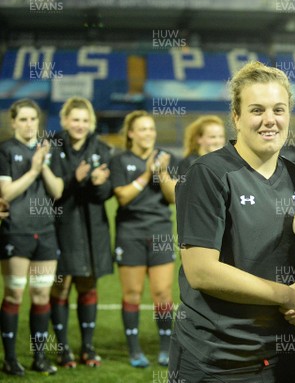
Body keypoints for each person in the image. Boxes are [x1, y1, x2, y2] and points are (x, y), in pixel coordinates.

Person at [170, 61, 295, 383]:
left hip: (282, 355)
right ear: (236, 117)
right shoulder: (208, 174)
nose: (270, 120)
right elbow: (201, 271)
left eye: (279, 110)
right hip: (217, 358)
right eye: (257, 110)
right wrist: (286, 295)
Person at [109, 111, 178, 367]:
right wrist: (147, 174)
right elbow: (123, 197)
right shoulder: (120, 160)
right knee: (132, 293)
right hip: (130, 233)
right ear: (131, 133)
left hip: (160, 231)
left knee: (162, 293)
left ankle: (165, 347)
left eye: (151, 129)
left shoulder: (166, 158)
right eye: (143, 129)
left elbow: (173, 198)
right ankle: (134, 349)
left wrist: (162, 172)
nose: (148, 133)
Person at [0, 99, 64, 376]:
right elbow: (7, 194)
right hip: (16, 231)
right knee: (14, 292)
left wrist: (44, 165)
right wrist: (33, 170)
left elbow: (58, 190)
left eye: (33, 119)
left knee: (40, 294)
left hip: (46, 232)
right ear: (13, 122)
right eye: (23, 119)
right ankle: (10, 359)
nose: (28, 124)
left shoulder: (48, 150)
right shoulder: (5, 151)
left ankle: (39, 357)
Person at [50, 97, 113, 368]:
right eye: (75, 119)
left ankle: (88, 347)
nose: (80, 125)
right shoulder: (52, 147)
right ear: (64, 120)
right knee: (61, 286)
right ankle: (63, 349)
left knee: (88, 284)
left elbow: (105, 195)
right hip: (60, 226)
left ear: (91, 123)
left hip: (92, 227)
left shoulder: (102, 148)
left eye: (85, 120)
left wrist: (99, 185)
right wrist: (74, 180)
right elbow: (50, 193)